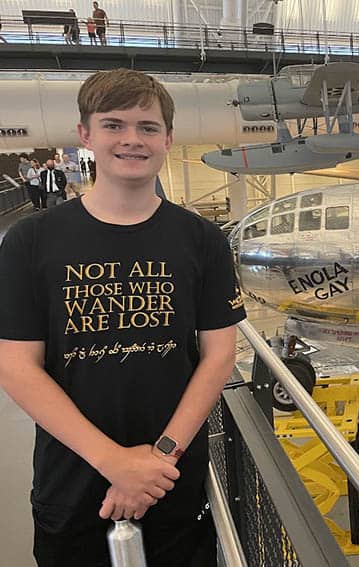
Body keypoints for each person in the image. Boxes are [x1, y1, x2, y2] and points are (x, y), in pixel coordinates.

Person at [0, 68, 246, 566]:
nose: (132, 139)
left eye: (147, 127)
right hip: (73, 482)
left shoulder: (202, 240)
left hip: (171, 482)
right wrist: (115, 462)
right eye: (114, 125)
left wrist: (160, 459)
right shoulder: (30, 241)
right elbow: (16, 365)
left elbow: (219, 355)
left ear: (168, 139)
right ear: (85, 135)